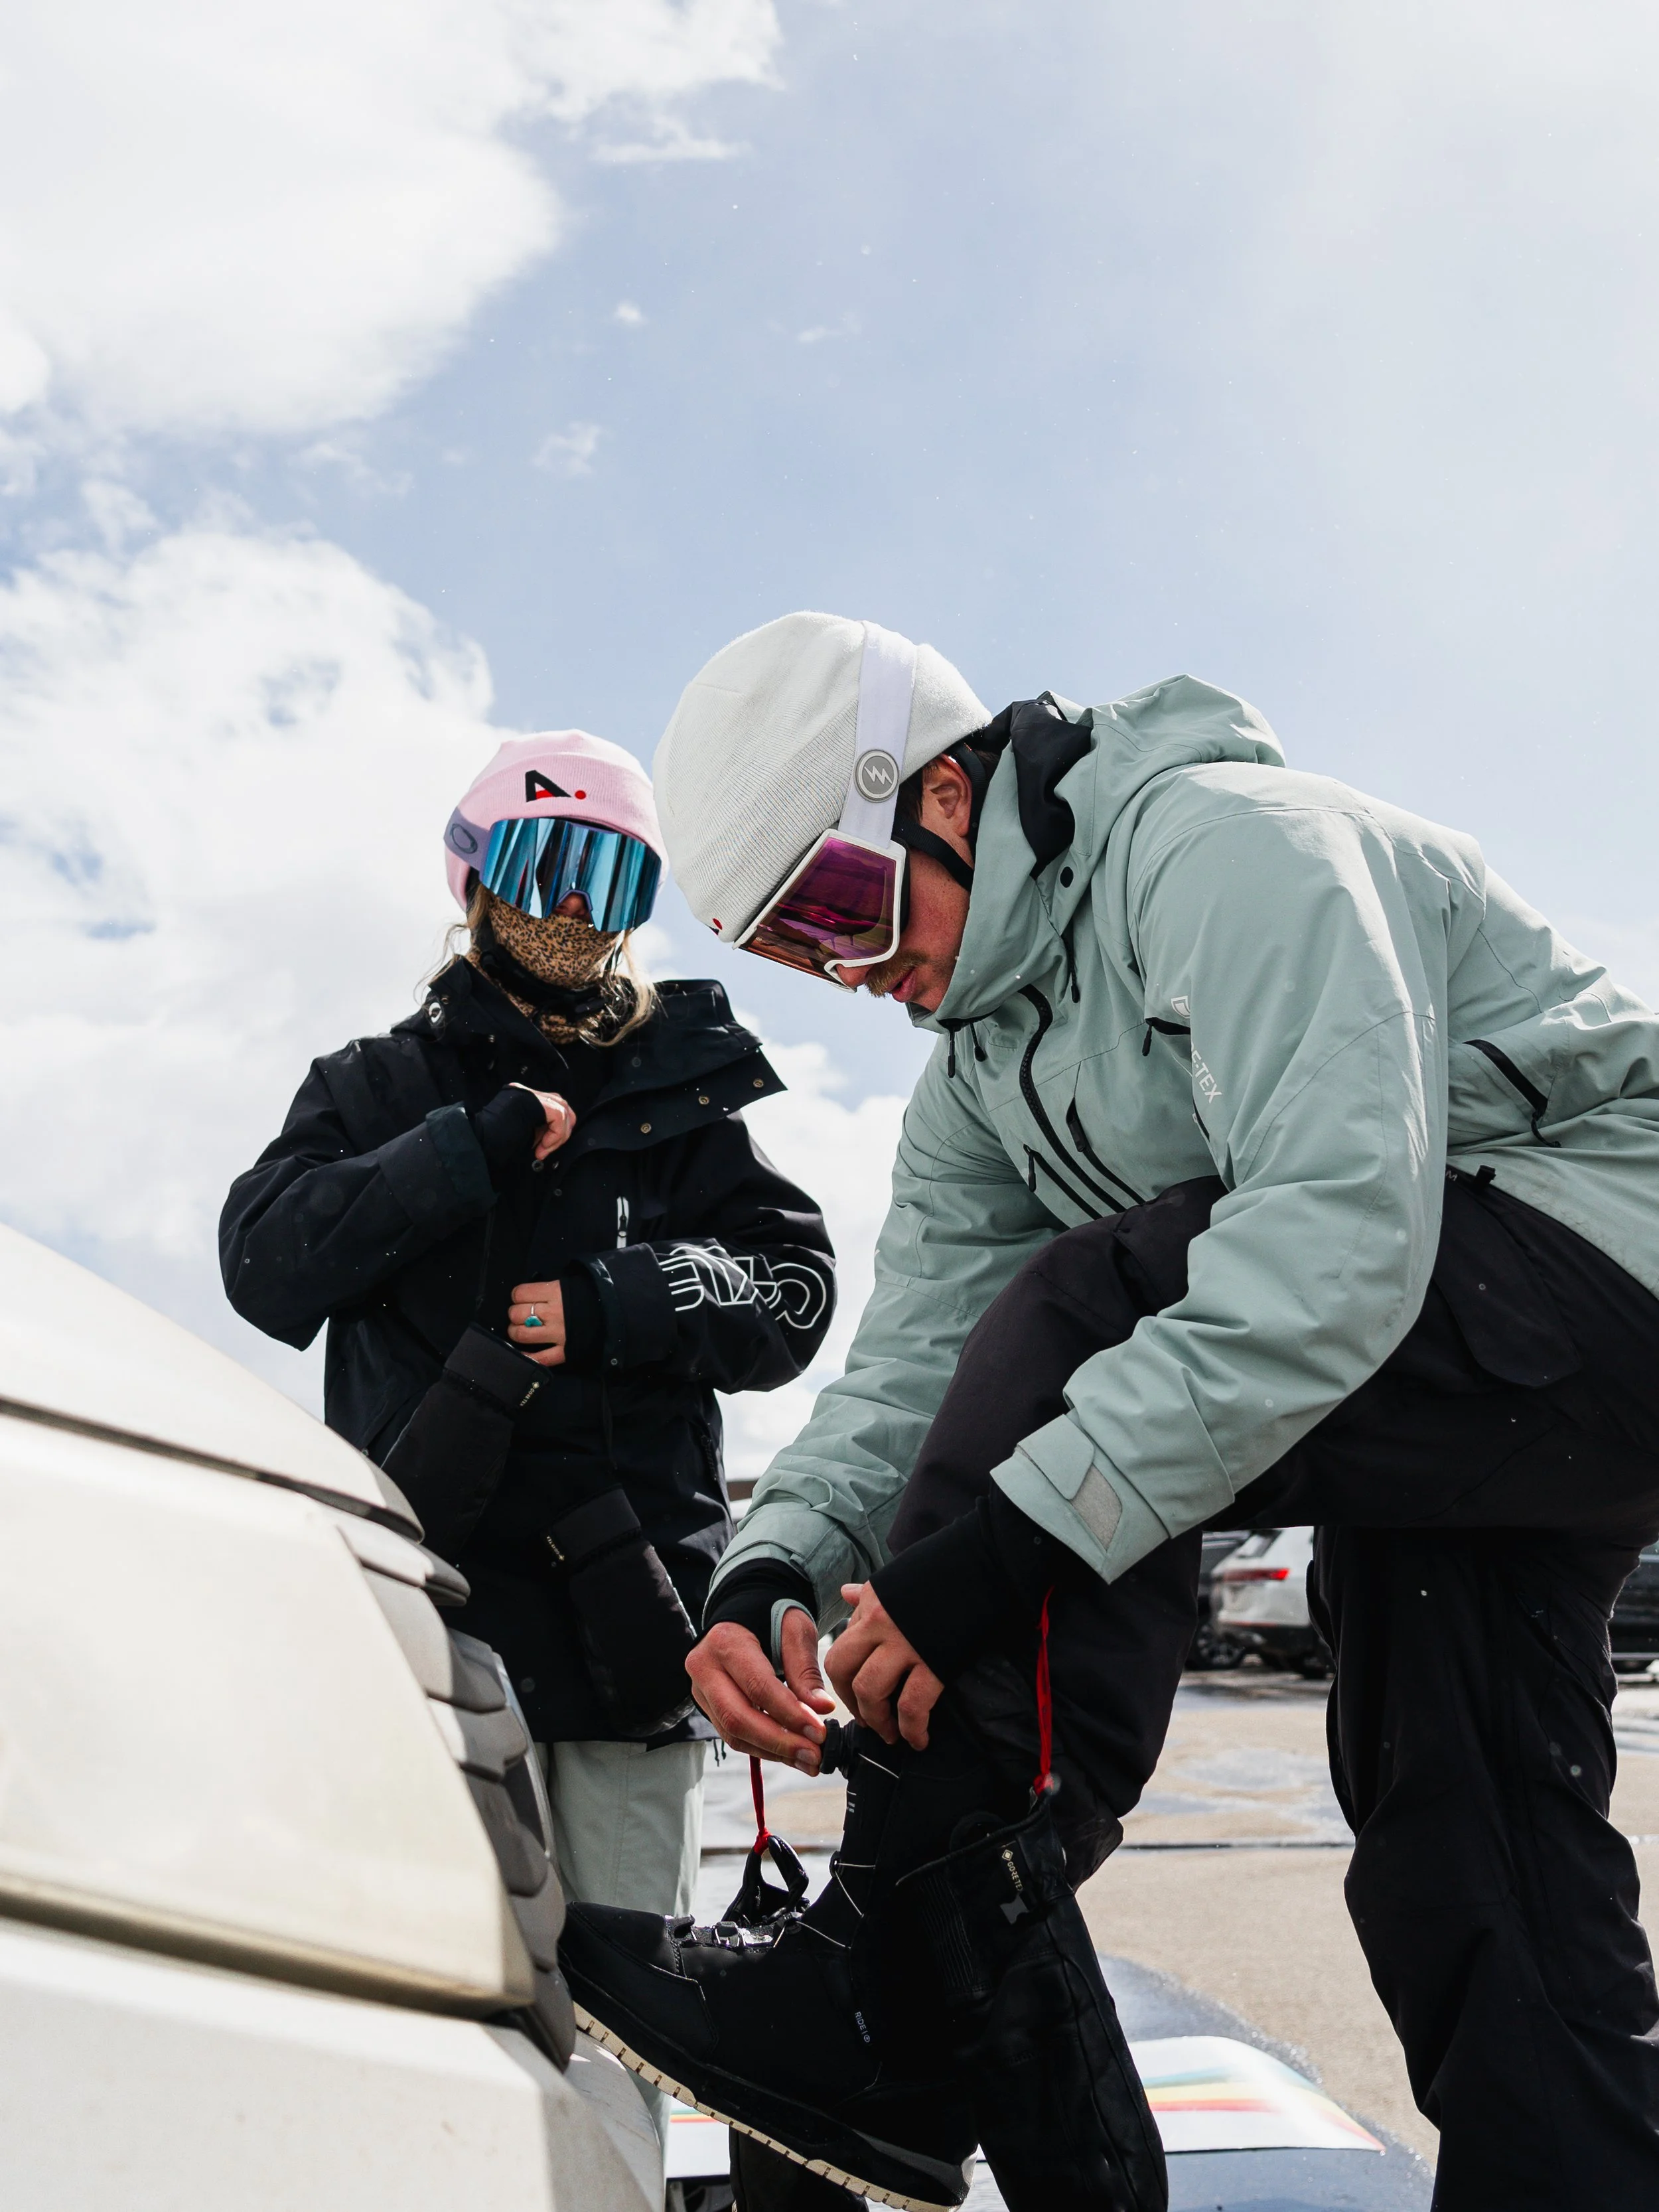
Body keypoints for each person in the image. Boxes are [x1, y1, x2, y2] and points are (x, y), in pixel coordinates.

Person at [557, 615, 1659, 2212]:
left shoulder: (1223, 851)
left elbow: (1334, 1239)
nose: (856, 973)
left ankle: (884, 1987)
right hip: (1486, 1402)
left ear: (942, 793)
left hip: (1608, 1274)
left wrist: (993, 1557)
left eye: (843, 908)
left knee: (1100, 1301)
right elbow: (911, 1352)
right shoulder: (979, 1076)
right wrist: (776, 1560)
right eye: (800, 953)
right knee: (1459, 1829)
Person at [220, 728, 835, 2160]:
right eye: (547, 863)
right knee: (435, 1999)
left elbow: (793, 1291)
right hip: (430, 1635)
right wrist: (469, 1146)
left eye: (610, 874)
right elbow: (265, 1266)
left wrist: (629, 1299)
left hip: (634, 1633)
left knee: (635, 2013)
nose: (573, 904)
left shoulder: (689, 1098)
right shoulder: (374, 1087)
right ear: (476, 876)